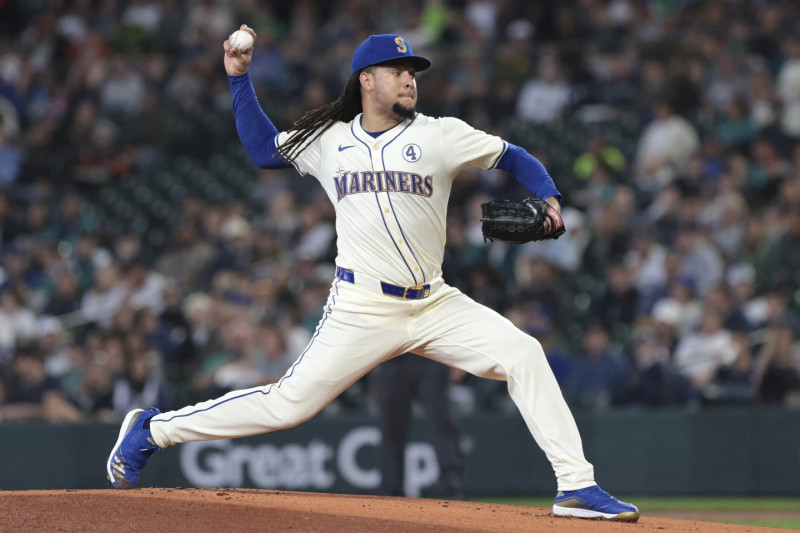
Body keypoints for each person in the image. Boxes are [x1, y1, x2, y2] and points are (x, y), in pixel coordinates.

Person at [106, 27, 639, 522]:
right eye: (397, 68)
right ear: (367, 79)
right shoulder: (329, 139)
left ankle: (575, 486)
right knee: (288, 406)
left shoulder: (441, 135)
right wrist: (238, 75)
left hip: (434, 303)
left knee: (524, 353)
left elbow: (513, 156)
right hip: (362, 306)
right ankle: (152, 429)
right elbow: (262, 150)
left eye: (413, 71)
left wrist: (550, 199)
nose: (410, 77)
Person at [371, 353, 465, 499]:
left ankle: (453, 485)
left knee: (442, 423)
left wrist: (458, 359)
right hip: (394, 357)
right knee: (391, 428)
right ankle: (390, 490)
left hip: (431, 356)